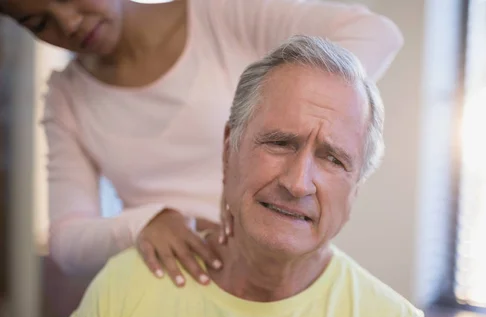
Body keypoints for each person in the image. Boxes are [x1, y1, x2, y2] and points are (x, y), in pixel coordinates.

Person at [60, 35, 451, 317]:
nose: (298, 183)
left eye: (333, 159)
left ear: (356, 189)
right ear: (230, 149)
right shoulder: (124, 286)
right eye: (280, 143)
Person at [0, 0, 403, 288]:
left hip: (276, 276)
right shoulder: (66, 97)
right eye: (40, 22)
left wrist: (285, 111)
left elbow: (376, 34)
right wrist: (145, 222)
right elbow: (67, 244)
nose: (68, 22)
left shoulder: (221, 12)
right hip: (166, 289)